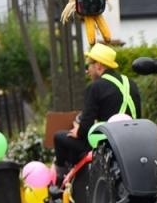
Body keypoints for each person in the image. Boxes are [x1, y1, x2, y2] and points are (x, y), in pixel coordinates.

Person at [53, 43, 138, 174]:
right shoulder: (131, 83)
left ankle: (61, 181)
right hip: (132, 140)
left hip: (106, 144)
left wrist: (78, 131)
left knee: (59, 137)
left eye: (88, 66)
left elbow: (86, 127)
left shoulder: (95, 87)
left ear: (98, 66)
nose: (87, 71)